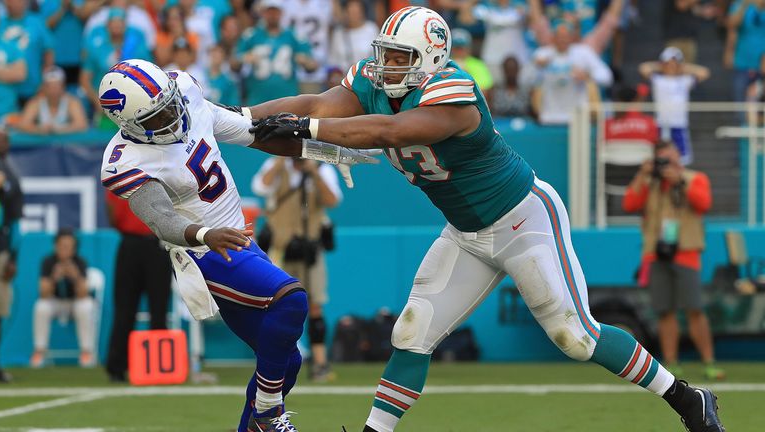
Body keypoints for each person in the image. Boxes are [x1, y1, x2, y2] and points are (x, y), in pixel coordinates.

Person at [246, 7, 725, 432]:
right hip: (466, 234)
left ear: (430, 58)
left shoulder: (455, 92)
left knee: (576, 336)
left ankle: (688, 398)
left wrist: (309, 129)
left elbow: (386, 131)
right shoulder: (371, 83)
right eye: (385, 55)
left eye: (400, 57)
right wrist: (233, 119)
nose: (387, 66)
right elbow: (313, 106)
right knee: (411, 332)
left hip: (522, 219)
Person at [97, 59, 374, 431]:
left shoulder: (186, 94)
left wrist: (324, 150)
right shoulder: (126, 160)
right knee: (291, 299)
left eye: (169, 105)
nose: (170, 117)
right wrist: (205, 234)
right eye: (156, 117)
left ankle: (255, 422)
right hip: (204, 253)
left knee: (285, 360)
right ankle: (267, 413)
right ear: (129, 125)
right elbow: (161, 220)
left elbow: (253, 132)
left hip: (236, 241)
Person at [623, 140, 724, 381]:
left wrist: (678, 180)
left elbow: (704, 203)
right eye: (661, 160)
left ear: (679, 157)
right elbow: (630, 203)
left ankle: (709, 362)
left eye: (669, 158)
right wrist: (642, 174)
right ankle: (671, 363)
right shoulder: (650, 182)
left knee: (695, 309)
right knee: (664, 311)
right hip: (655, 254)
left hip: (686, 251)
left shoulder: (695, 178)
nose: (666, 164)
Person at [253, 157, 342, 382]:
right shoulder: (276, 164)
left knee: (315, 305)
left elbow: (332, 201)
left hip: (309, 248)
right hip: (279, 247)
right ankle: (274, 362)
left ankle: (320, 362)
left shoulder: (322, 168)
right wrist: (281, 160)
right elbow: (260, 187)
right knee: (274, 305)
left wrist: (314, 173)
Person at [104, 189, 172, 383]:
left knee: (128, 308)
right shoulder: (160, 173)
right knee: (155, 308)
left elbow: (111, 212)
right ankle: (158, 366)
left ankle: (118, 368)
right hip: (153, 244)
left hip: (134, 243)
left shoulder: (120, 173)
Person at [31, 228, 96, 368]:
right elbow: (43, 293)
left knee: (85, 306)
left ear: (74, 248)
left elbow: (84, 294)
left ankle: (86, 352)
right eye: (62, 246)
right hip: (55, 303)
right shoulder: (48, 261)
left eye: (69, 247)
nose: (65, 250)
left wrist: (75, 277)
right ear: (56, 246)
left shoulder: (80, 262)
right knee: (41, 307)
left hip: (75, 303)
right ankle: (39, 351)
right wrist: (54, 278)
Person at [235, 0, 318, 105]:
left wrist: (305, 61)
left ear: (281, 13)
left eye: (275, 12)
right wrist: (243, 58)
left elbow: (313, 66)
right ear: (263, 13)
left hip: (287, 98)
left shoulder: (293, 36)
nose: (272, 15)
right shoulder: (251, 35)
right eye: (269, 11)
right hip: (257, 99)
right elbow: (233, 64)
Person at [639, 46, 710, 166]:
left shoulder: (685, 80)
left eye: (675, 63)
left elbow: (704, 72)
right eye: (668, 63)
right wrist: (660, 65)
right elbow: (643, 68)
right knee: (660, 157)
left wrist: (682, 67)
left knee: (682, 159)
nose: (671, 66)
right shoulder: (657, 79)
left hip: (679, 124)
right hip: (662, 123)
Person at [530, 22, 613, 125]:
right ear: (553, 37)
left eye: (565, 36)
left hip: (577, 119)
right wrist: (537, 67)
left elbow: (607, 77)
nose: (562, 40)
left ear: (572, 37)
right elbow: (528, 79)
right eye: (559, 36)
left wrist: (587, 75)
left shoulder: (583, 53)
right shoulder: (542, 54)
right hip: (549, 117)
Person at [0, 128, 23, 383]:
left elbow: (14, 217)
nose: (5, 141)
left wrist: (13, 255)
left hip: (2, 248)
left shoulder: (6, 166)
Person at [0, 0, 55, 106]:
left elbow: (48, 54)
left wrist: (45, 82)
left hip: (34, 88)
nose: (11, 3)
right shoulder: (0, 24)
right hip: (5, 90)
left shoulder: (37, 22)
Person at [15, 67, 89, 134]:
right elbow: (22, 125)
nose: (53, 91)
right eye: (50, 87)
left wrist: (58, 130)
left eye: (56, 87)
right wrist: (39, 129)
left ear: (63, 87)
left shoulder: (72, 102)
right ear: (44, 88)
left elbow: (82, 124)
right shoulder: (35, 103)